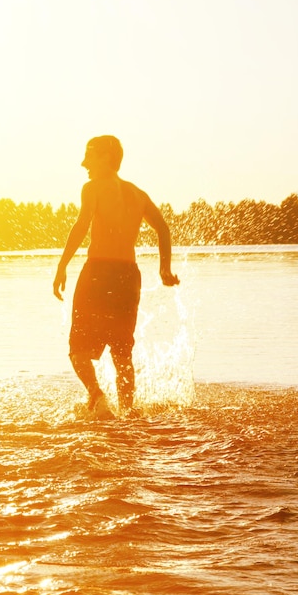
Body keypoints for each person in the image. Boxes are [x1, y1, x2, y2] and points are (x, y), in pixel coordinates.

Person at [53, 135, 179, 417]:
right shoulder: (138, 193)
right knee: (122, 353)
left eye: (89, 156)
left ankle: (97, 396)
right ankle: (127, 413)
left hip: (99, 272)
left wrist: (62, 266)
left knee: (78, 349)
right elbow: (163, 228)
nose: (84, 163)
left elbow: (81, 225)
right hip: (128, 277)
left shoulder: (92, 188)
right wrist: (164, 268)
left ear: (106, 158)